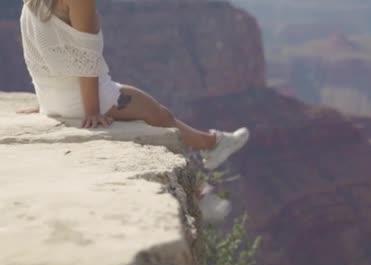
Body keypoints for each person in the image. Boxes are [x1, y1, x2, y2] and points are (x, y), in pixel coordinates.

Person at [17, 0, 249, 171]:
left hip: (50, 98)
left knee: (157, 116)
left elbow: (36, 49)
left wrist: (45, 98)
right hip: (77, 99)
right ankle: (212, 145)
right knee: (160, 116)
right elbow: (86, 58)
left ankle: (208, 166)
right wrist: (92, 112)